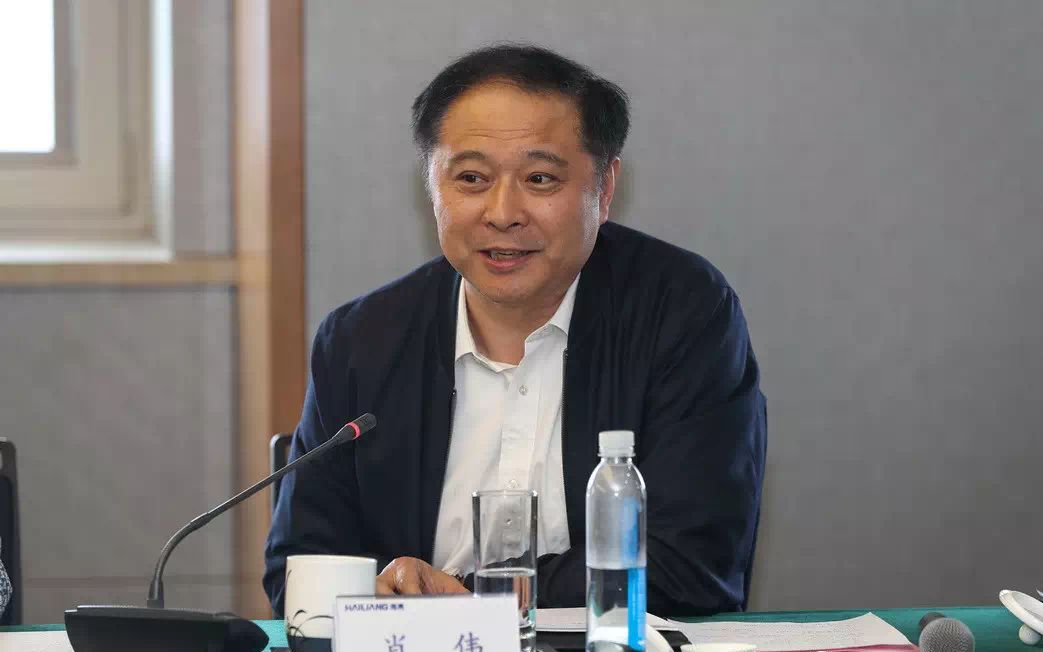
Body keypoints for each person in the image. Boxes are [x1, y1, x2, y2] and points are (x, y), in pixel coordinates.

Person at [264, 44, 766, 618]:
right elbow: (300, 572)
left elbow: (692, 567)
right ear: (431, 187)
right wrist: (383, 592)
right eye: (471, 178)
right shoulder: (361, 342)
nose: (503, 213)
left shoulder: (681, 313)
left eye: (540, 178)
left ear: (604, 189)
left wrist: (470, 598)